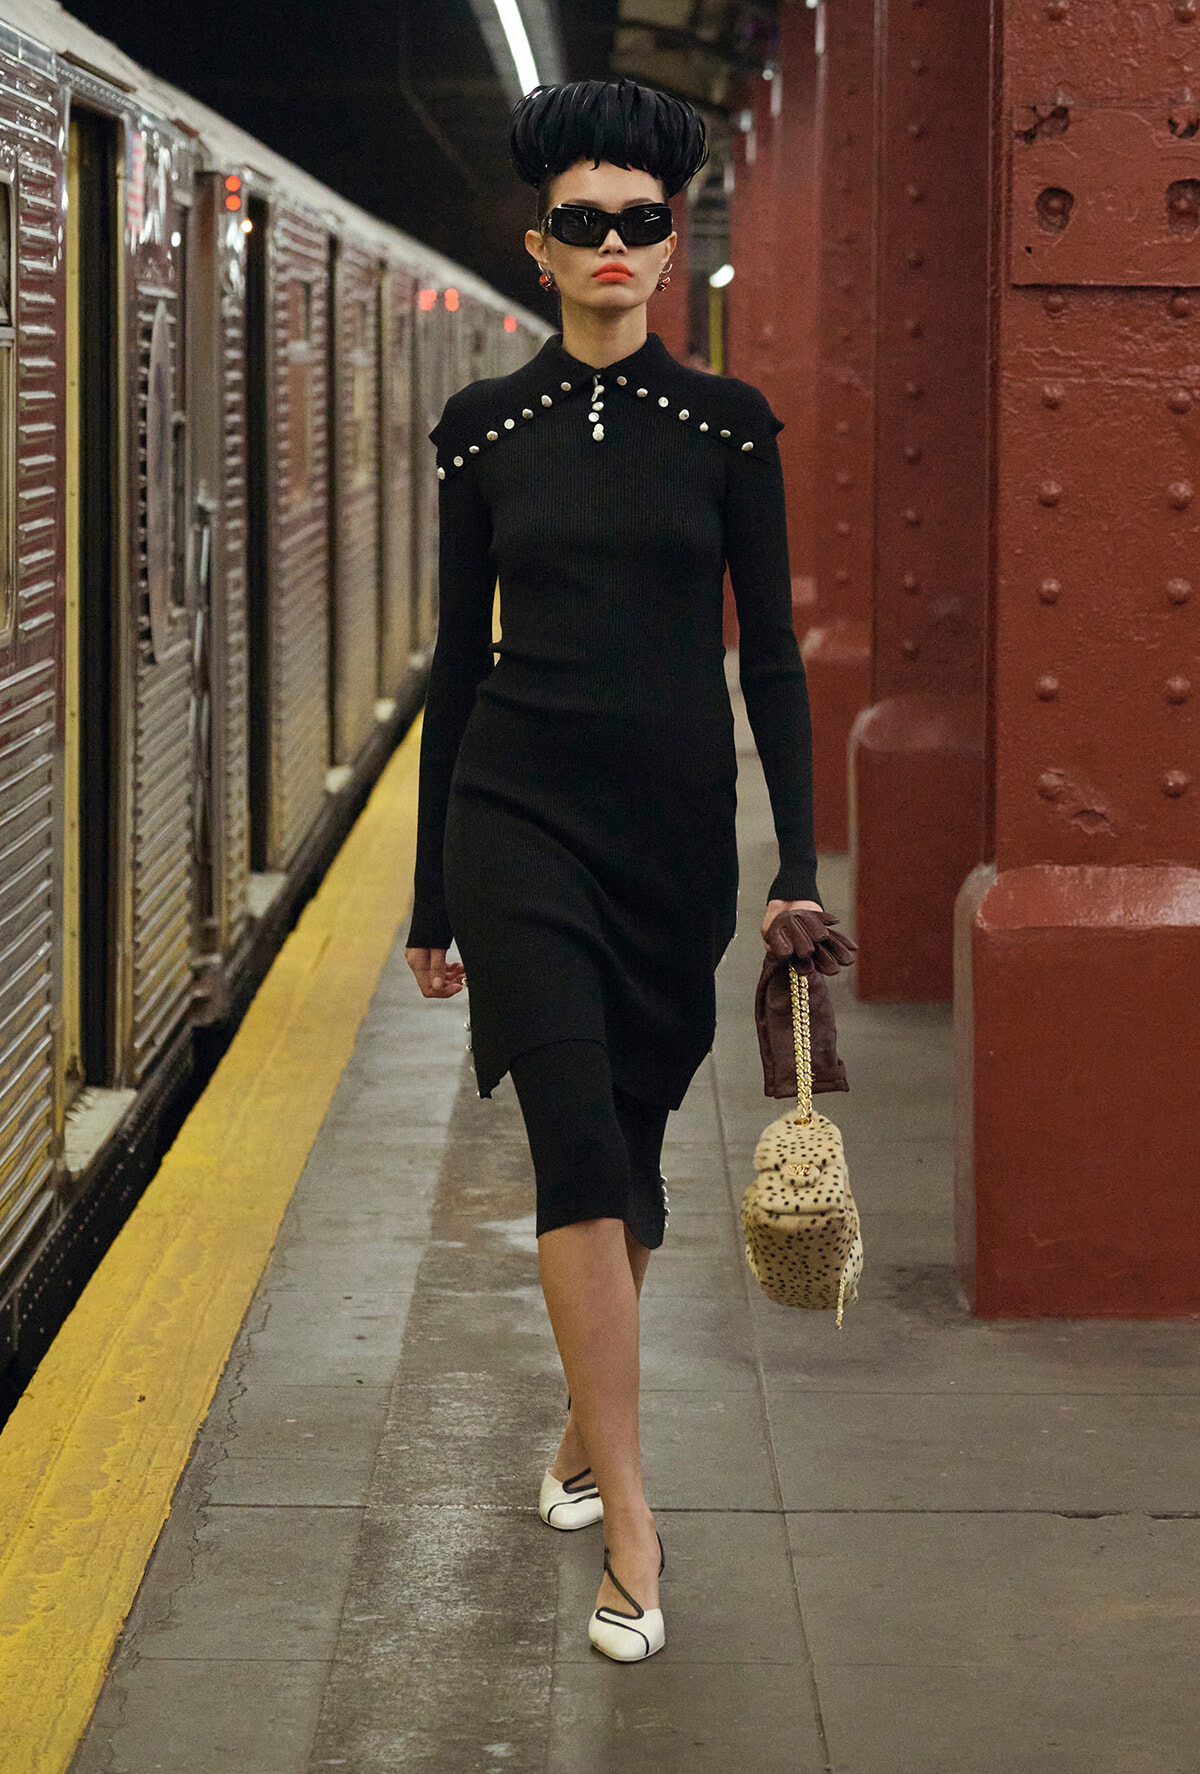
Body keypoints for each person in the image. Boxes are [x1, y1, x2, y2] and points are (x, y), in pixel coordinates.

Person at [404, 76, 823, 1662]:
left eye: (641, 224)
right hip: (519, 818)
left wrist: (797, 854)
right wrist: (433, 898)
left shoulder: (730, 429)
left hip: (670, 833)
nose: (613, 246)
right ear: (540, 248)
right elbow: (458, 664)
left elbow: (771, 660)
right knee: (574, 1136)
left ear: (669, 249)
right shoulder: (480, 432)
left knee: (633, 1157)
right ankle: (635, 1520)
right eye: (582, 222)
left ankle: (589, 1430)